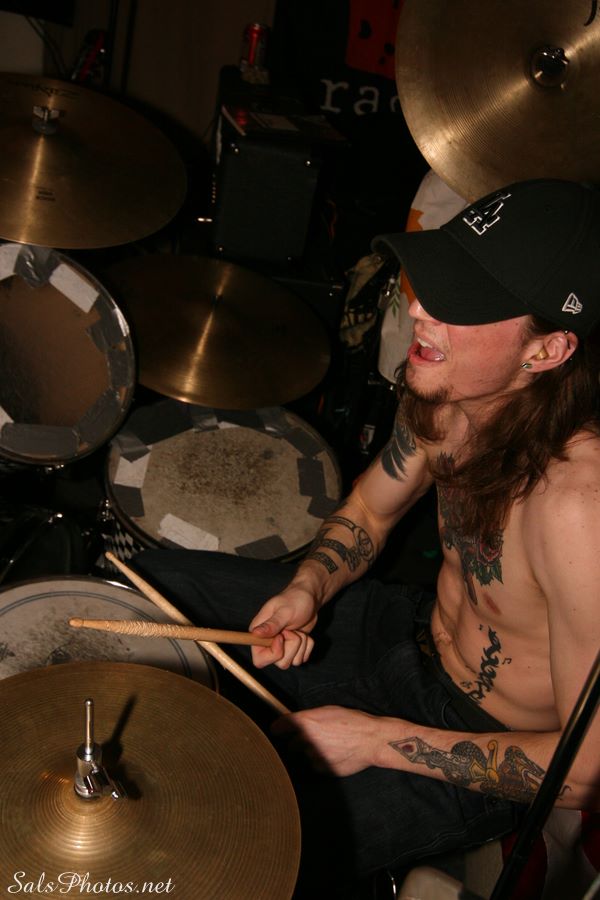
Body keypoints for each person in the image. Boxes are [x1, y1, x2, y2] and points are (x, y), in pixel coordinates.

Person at [133, 178, 600, 897]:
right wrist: (308, 586)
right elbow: (372, 515)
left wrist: (373, 740)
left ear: (547, 350)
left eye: (460, 302)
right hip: (400, 631)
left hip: (478, 741)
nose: (418, 309)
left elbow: (583, 772)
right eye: (434, 283)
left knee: (230, 845)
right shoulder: (446, 397)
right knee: (152, 590)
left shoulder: (579, 510)